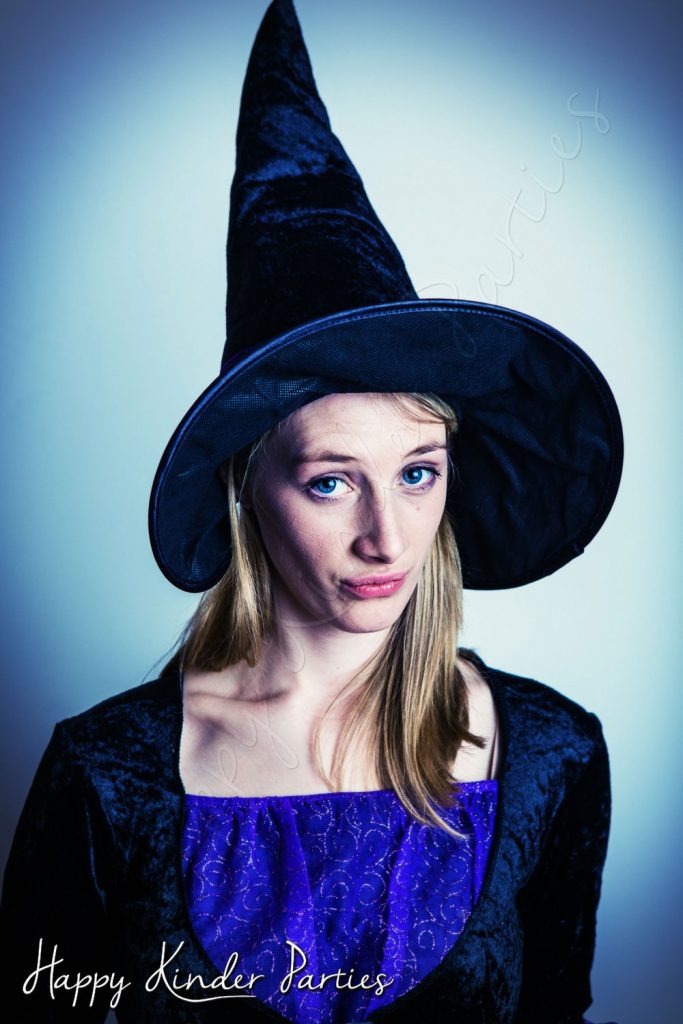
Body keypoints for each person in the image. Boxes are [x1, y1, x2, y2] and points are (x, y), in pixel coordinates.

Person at [0, 1, 623, 1022]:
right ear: (246, 485)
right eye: (332, 480)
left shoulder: (553, 755)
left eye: (416, 472)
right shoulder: (107, 776)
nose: (387, 537)